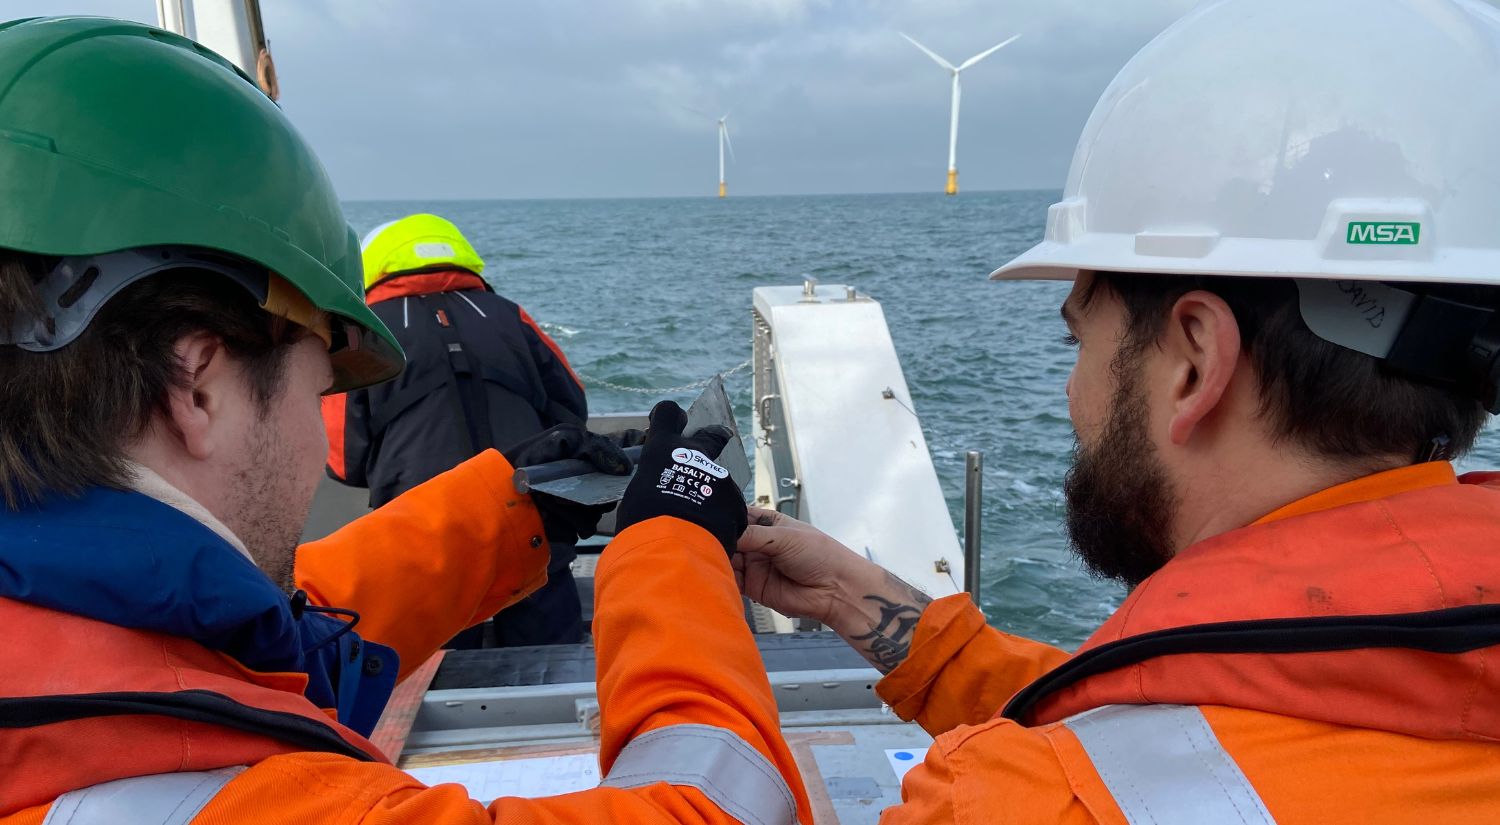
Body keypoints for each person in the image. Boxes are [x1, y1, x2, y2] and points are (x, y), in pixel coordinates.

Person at [0, 18, 809, 825]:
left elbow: (271, 636)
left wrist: (515, 509)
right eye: (320, 382)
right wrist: (671, 543)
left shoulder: (59, 636)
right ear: (197, 386)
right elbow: (724, 805)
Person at [732, 0, 1500, 821]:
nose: (1071, 393)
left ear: (1195, 362)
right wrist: (861, 599)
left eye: (1078, 343)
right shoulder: (1429, 664)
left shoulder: (1013, 803)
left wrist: (662, 573)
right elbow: (1213, 722)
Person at [323, 213, 593, 647]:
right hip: (531, 513)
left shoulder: (364, 330)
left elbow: (340, 455)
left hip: (423, 531)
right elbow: (572, 407)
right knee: (547, 653)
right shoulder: (510, 316)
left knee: (433, 658)